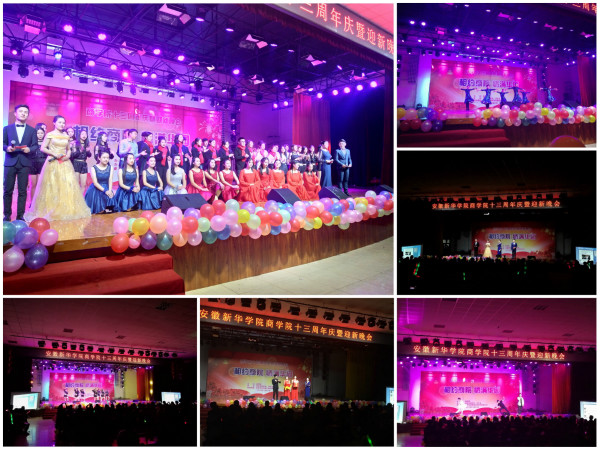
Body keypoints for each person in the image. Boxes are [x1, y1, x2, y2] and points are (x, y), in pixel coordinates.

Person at [25, 115, 91, 221]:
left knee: (66, 185)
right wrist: (53, 153)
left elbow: (68, 149)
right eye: (60, 122)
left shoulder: (66, 135)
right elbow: (43, 148)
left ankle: (65, 209)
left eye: (63, 123)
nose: (62, 124)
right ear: (54, 123)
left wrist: (68, 155)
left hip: (65, 162)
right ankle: (51, 209)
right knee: (52, 185)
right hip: (53, 162)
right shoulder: (50, 134)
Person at [3, 104, 38, 221]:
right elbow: (3, 143)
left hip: (24, 163)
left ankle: (20, 216)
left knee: (23, 191)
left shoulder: (32, 130)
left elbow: (35, 146)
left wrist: (29, 149)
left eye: (25, 112)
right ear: (15, 113)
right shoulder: (7, 129)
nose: (23, 113)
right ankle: (7, 215)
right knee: (8, 190)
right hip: (10, 162)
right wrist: (7, 148)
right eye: (21, 111)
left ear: (28, 115)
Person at [84, 149, 116, 214]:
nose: (106, 159)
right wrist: (105, 191)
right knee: (99, 209)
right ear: (99, 158)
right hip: (96, 188)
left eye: (107, 158)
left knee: (110, 208)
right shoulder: (93, 168)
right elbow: (95, 183)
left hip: (107, 187)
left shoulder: (110, 168)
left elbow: (110, 180)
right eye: (104, 158)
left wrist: (110, 191)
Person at [29, 126, 47, 207]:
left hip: (42, 164)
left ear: (44, 134)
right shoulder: (32, 143)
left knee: (40, 185)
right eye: (38, 133)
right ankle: (32, 203)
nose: (40, 135)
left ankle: (39, 203)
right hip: (32, 164)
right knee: (33, 184)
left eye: (41, 133)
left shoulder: (46, 143)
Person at [71, 129, 91, 194]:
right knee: (76, 184)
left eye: (85, 134)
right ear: (79, 135)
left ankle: (81, 198)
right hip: (76, 163)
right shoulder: (75, 143)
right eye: (82, 134)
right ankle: (75, 197)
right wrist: (80, 151)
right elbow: (73, 155)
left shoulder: (87, 144)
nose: (84, 135)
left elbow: (89, 155)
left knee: (83, 184)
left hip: (84, 164)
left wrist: (88, 151)